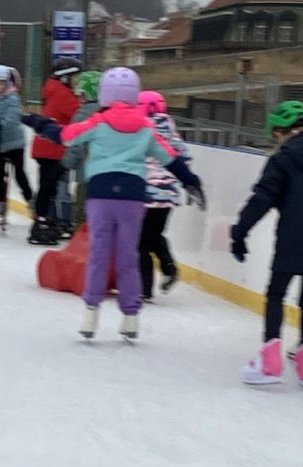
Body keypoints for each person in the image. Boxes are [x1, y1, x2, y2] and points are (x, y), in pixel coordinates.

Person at [23, 67, 204, 340]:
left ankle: (90, 315)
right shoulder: (146, 127)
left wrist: (37, 122)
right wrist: (192, 182)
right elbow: (170, 158)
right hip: (132, 197)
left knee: (99, 255)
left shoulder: (98, 122)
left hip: (101, 194)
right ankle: (131, 318)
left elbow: (65, 136)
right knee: (128, 256)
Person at [229, 101, 303, 388]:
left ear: (280, 132)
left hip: (294, 238)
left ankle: (270, 363)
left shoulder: (283, 159)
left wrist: (240, 232)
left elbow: (262, 198)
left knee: (276, 294)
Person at [137, 90, 188, 301]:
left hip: (147, 192)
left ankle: (144, 288)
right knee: (154, 234)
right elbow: (185, 156)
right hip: (168, 194)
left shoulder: (141, 128)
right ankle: (169, 268)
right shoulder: (171, 128)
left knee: (140, 242)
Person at [28, 58, 82, 246]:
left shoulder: (54, 89)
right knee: (53, 187)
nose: (78, 82)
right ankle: (48, 221)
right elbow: (78, 114)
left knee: (49, 186)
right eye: (75, 77)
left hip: (48, 146)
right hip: (53, 147)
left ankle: (46, 220)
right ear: (65, 77)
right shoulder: (62, 93)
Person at [0, 64, 32, 219]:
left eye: (0, 83)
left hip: (14, 143)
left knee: (19, 173)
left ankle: (31, 201)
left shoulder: (13, 98)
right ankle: (1, 202)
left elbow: (11, 121)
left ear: (7, 83)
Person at [66, 70, 101, 231]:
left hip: (86, 174)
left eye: (80, 95)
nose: (78, 99)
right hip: (107, 176)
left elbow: (76, 145)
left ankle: (80, 241)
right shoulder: (109, 113)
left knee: (81, 213)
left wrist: (65, 163)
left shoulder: (81, 116)